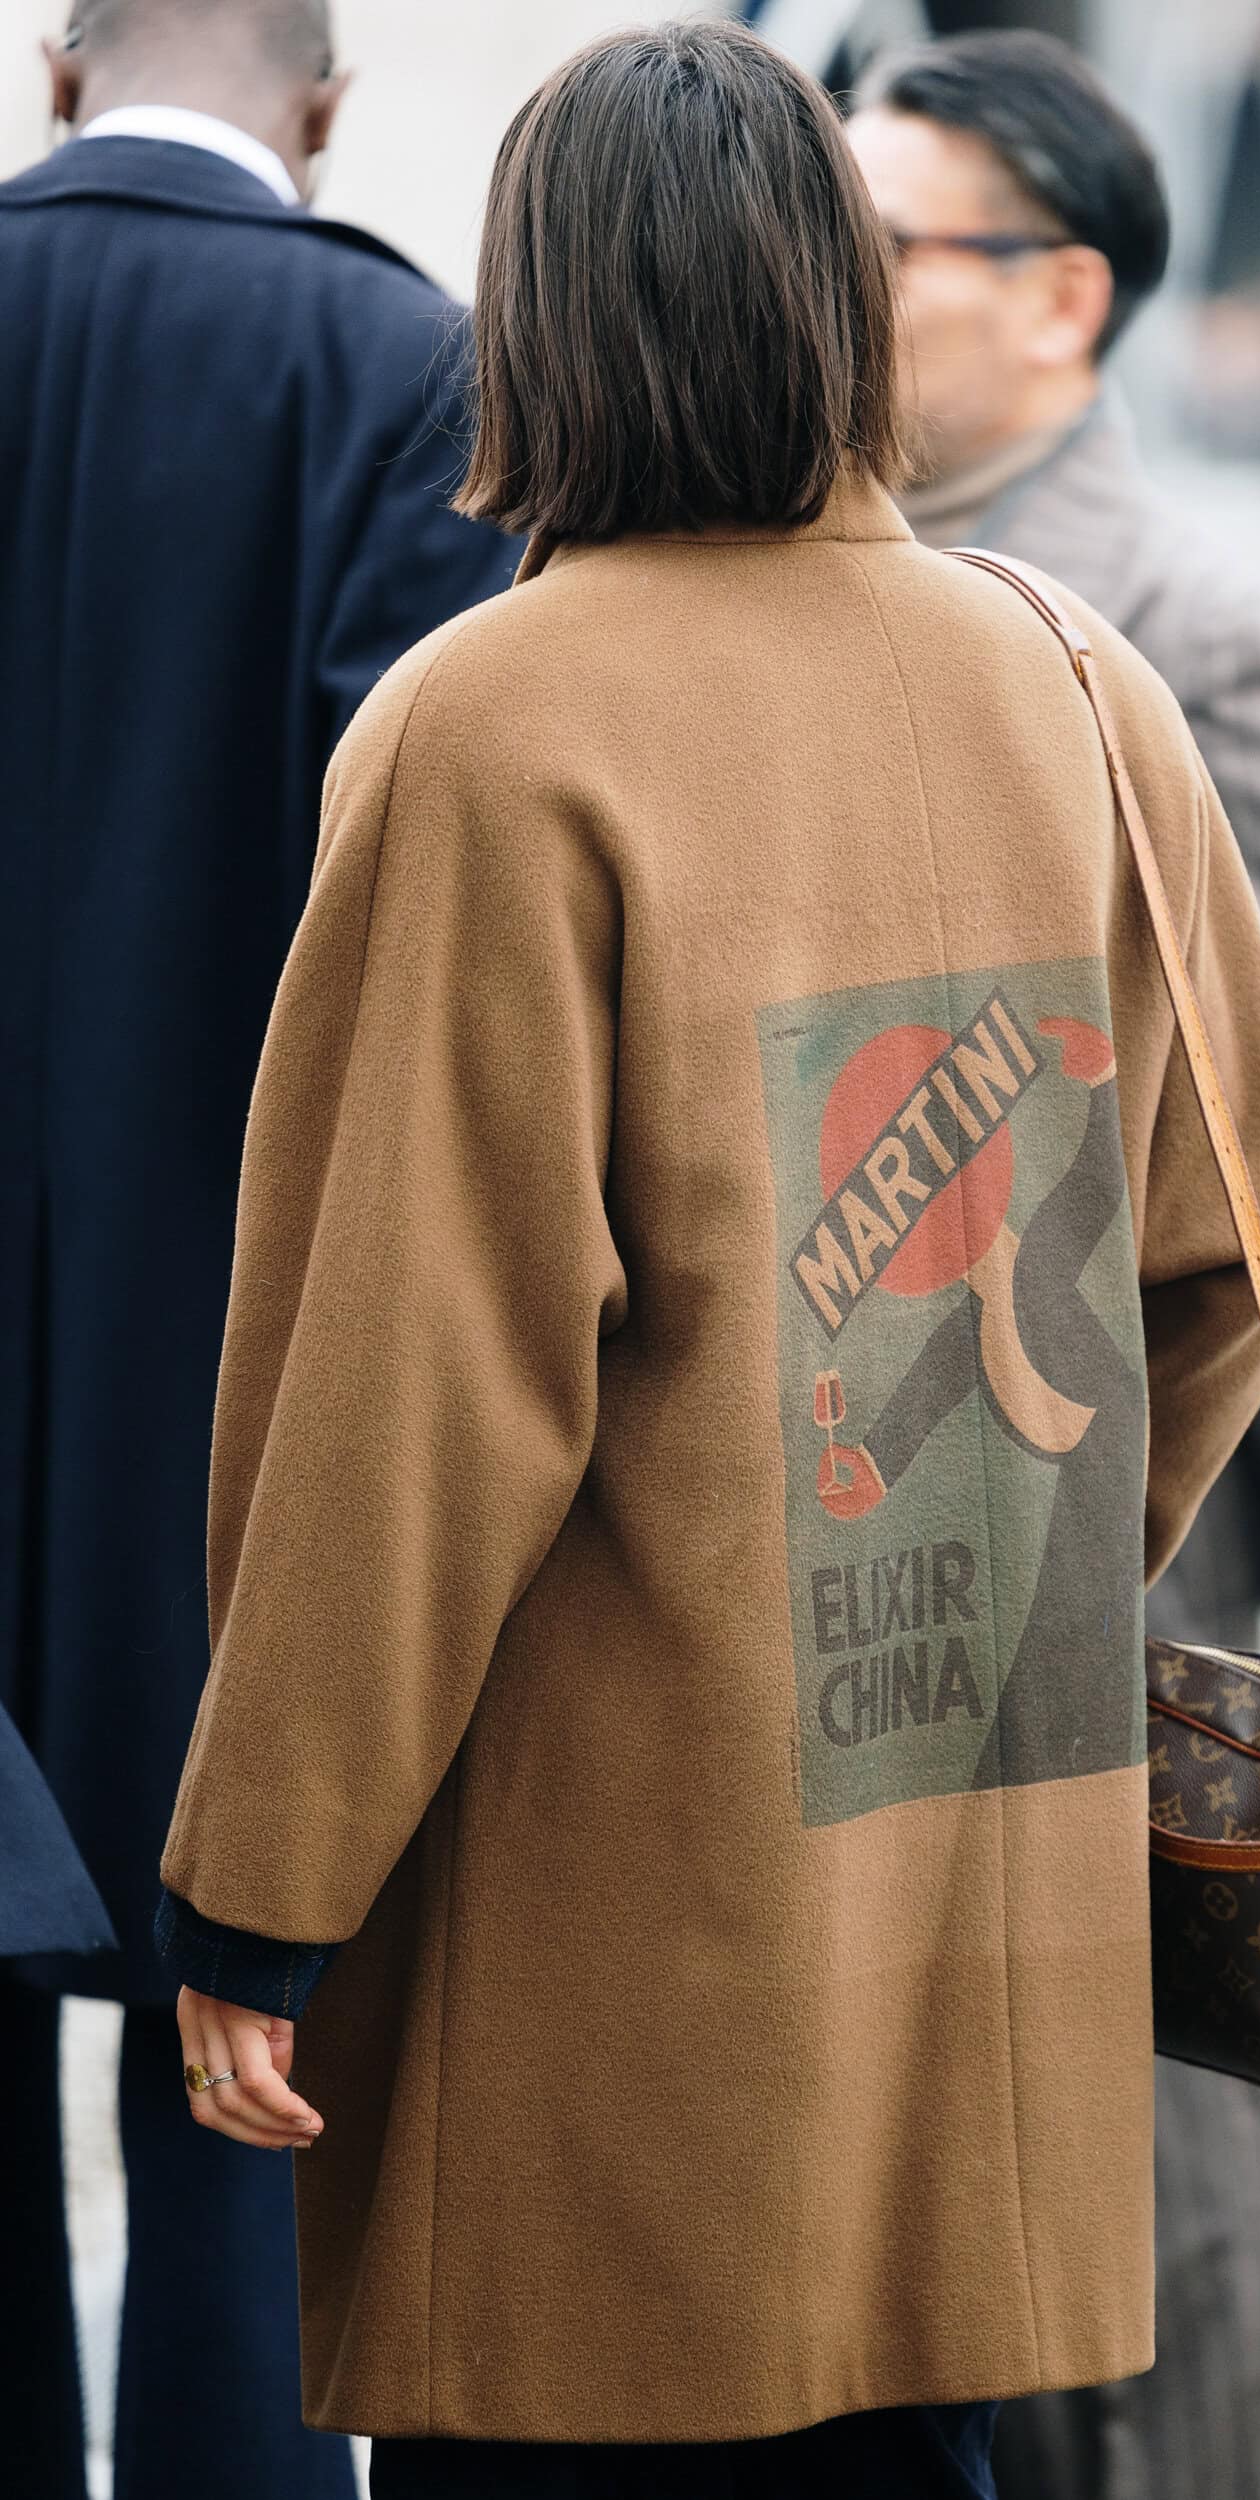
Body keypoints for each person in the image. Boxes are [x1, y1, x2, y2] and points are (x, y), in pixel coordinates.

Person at [151, 21, 1260, 2499]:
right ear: (839, 298)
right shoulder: (1074, 678)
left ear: (540, 314)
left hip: (605, 1893)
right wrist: (1016, 1566)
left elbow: (414, 1388)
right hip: (969, 1828)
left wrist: (260, 1889)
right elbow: (1234, 1243)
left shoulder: (491, 726)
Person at [847, 33, 1260, 2500]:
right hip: (897, 1489)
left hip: (1128, 1497)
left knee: (1169, 2117)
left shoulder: (1191, 613)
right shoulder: (851, 593)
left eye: (884, 245)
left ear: (1061, 295)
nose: (830, 287)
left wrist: (1100, 1348)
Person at [0, 3, 516, 2493]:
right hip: (227, 1355)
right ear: (324, 107)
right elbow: (411, 905)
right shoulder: (402, 365)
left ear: (53, 76)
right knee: (250, 2035)